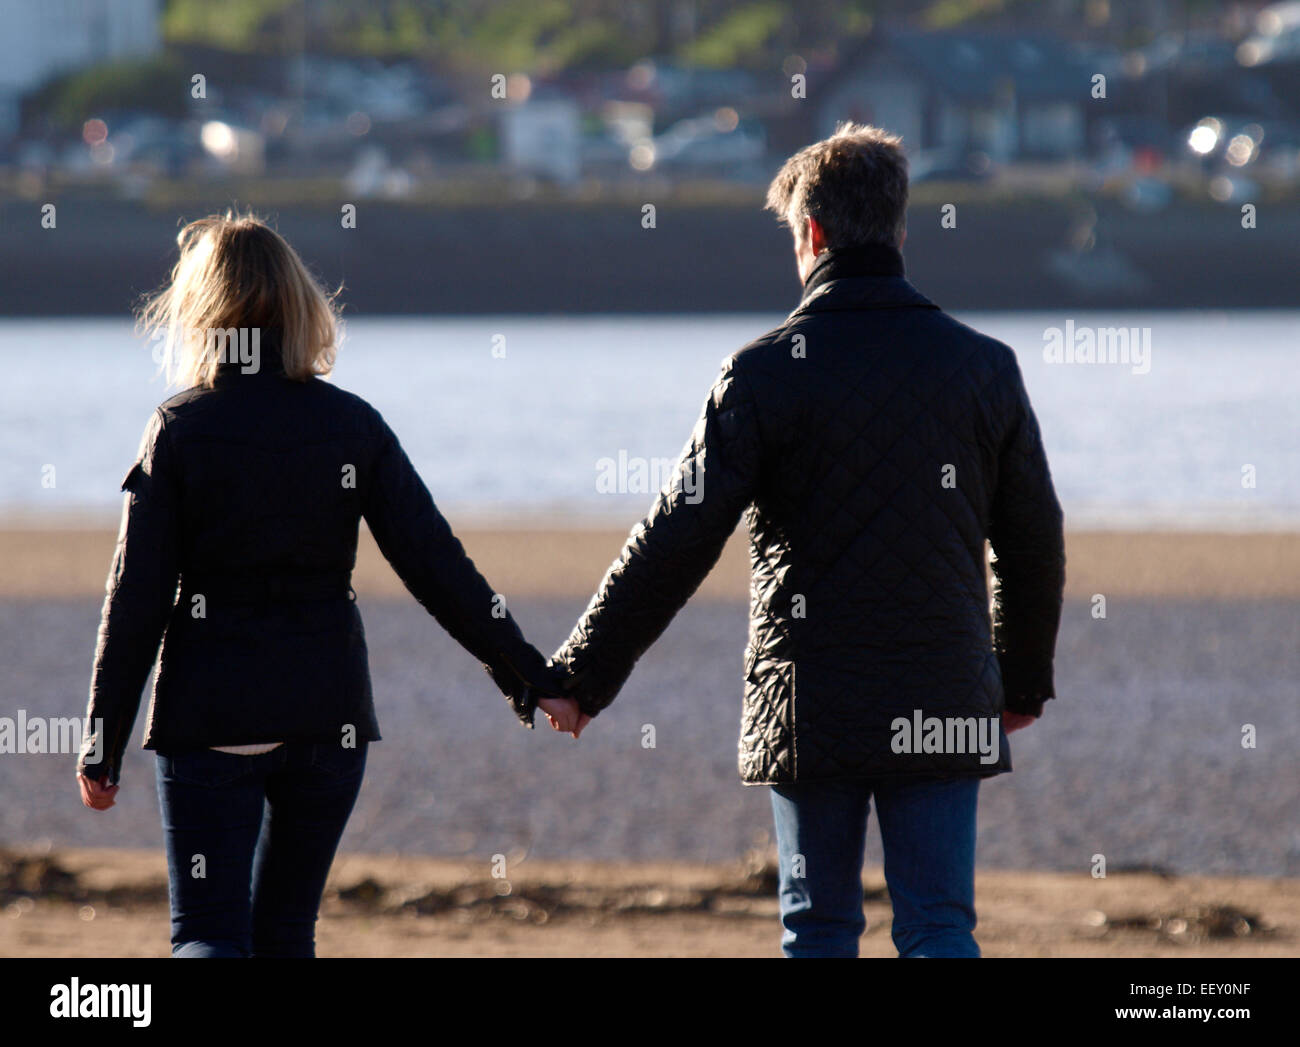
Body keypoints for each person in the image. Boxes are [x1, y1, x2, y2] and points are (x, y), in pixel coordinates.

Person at [547, 124, 1066, 958]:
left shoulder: (762, 372)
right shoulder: (984, 367)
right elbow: (1032, 539)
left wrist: (582, 673)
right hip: (944, 686)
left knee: (818, 927)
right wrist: (1021, 681)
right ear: (898, 231)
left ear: (812, 235)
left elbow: (679, 533)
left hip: (808, 698)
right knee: (939, 924)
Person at [75, 213, 580, 957]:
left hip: (211, 715)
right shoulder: (352, 425)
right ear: (300, 305)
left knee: (210, 934)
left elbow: (136, 598)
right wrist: (533, 677)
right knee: (285, 935)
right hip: (327, 718)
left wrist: (100, 741)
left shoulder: (180, 428)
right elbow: (439, 568)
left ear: (201, 310)